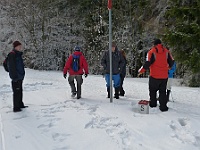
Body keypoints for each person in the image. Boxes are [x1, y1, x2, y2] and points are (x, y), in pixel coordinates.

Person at [138, 39, 174, 112]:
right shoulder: (167, 51)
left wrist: (141, 71)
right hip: (164, 76)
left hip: (154, 76)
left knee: (153, 91)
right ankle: (163, 107)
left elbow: (147, 63)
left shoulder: (151, 52)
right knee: (163, 91)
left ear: (154, 44)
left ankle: (153, 104)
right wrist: (168, 67)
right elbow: (172, 61)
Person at [8, 41, 27, 112]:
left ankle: (20, 104)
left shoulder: (18, 54)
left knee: (20, 91)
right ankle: (16, 107)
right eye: (19, 46)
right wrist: (13, 76)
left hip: (20, 76)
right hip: (16, 77)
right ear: (15, 47)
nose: (20, 47)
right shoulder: (12, 54)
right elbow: (11, 66)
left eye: (20, 46)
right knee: (16, 92)